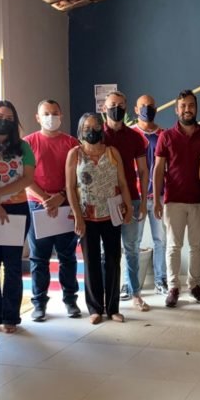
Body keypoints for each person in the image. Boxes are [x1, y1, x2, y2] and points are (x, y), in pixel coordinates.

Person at [66, 113, 133, 324]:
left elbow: (122, 182)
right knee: (91, 261)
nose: (91, 130)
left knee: (113, 260)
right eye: (87, 127)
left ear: (102, 129)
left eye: (95, 126)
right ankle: (95, 308)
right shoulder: (75, 154)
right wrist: (77, 216)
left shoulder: (112, 152)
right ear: (80, 130)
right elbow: (70, 187)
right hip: (86, 215)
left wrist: (129, 207)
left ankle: (113, 308)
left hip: (112, 213)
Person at [0, 100, 35, 334]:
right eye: (0, 117)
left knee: (12, 266)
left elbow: (27, 179)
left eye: (9, 119)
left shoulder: (23, 147)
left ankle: (11, 316)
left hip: (17, 210)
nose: (4, 121)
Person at [153, 90, 200, 307]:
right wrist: (157, 199)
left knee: (197, 246)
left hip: (199, 200)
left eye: (191, 105)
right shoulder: (166, 136)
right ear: (176, 110)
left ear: (196, 108)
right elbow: (158, 170)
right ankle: (173, 288)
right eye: (183, 106)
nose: (187, 109)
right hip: (173, 200)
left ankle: (195, 286)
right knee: (173, 246)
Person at [24, 99, 81, 322]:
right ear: (37, 118)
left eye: (55, 113)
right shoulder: (27, 143)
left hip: (66, 204)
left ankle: (70, 300)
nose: (51, 117)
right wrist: (46, 198)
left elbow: (79, 178)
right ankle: (39, 304)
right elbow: (24, 178)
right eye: (46, 113)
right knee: (39, 258)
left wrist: (61, 197)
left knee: (67, 256)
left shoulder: (72, 143)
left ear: (61, 115)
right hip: (37, 205)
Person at [102, 91, 151, 312]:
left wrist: (143, 201)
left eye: (121, 105)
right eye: (113, 104)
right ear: (104, 108)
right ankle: (108, 295)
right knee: (108, 251)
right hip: (104, 202)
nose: (117, 108)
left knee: (131, 249)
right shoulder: (97, 135)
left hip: (131, 199)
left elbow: (143, 170)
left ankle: (135, 294)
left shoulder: (134, 137)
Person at [131, 94, 168, 295]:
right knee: (133, 242)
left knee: (160, 240)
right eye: (143, 106)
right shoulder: (130, 134)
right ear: (136, 110)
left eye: (151, 105)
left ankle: (161, 281)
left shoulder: (164, 135)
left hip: (158, 197)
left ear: (156, 108)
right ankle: (131, 284)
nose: (147, 109)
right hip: (135, 197)